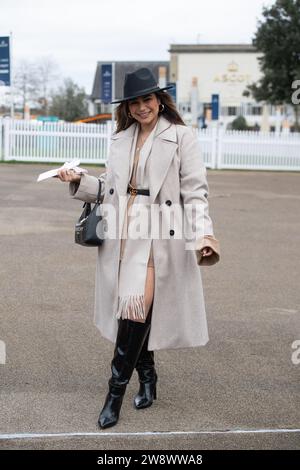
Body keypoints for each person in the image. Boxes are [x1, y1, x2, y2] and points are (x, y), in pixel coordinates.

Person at [57, 67, 220, 429]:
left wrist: (205, 235)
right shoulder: (121, 138)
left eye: (147, 99)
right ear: (127, 108)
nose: (142, 107)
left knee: (133, 310)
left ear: (160, 101)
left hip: (158, 234)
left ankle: (113, 394)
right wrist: (77, 180)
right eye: (135, 102)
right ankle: (147, 376)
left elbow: (195, 192)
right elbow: (108, 188)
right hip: (121, 231)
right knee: (132, 313)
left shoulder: (181, 136)